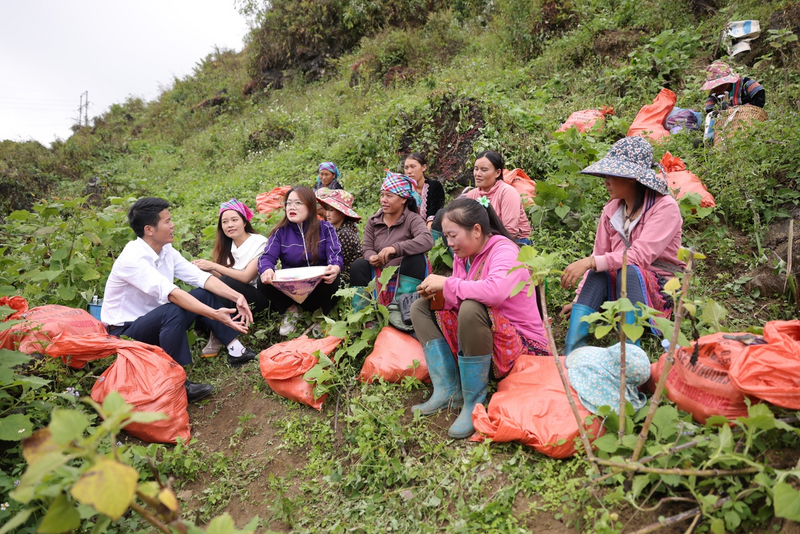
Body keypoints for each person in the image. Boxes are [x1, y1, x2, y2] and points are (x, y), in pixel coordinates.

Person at [410, 197, 549, 439]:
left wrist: (447, 284)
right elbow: (458, 295)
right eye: (446, 236)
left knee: (472, 307)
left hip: (523, 347)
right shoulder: (464, 255)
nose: (449, 243)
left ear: (476, 230)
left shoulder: (504, 250)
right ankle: (448, 390)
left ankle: (473, 402)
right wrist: (438, 293)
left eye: (453, 235)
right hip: (489, 337)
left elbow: (494, 293)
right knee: (422, 307)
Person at [101, 197, 258, 403]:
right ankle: (177, 382)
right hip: (125, 333)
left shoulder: (165, 250)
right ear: (149, 229)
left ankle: (236, 351)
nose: (173, 225)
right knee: (173, 309)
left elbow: (199, 277)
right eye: (167, 221)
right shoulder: (133, 258)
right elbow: (172, 294)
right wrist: (214, 314)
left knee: (203, 293)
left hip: (155, 322)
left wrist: (238, 297)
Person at [560, 136, 685, 355]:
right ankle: (571, 352)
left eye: (611, 175)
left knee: (629, 269)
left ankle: (631, 352)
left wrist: (590, 262)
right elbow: (599, 255)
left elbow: (639, 256)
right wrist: (580, 300)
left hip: (657, 289)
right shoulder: (611, 210)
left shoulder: (665, 208)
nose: (606, 181)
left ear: (631, 179)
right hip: (619, 285)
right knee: (599, 271)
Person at [257, 186, 343, 334]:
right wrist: (267, 269)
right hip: (291, 290)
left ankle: (320, 314)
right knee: (263, 281)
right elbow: (267, 257)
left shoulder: (325, 228)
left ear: (310, 206)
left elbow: (335, 253)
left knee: (334, 279)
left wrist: (335, 267)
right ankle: (291, 311)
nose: (292, 207)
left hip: (318, 288)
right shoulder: (280, 233)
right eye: (289, 203)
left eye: (298, 203)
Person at [191, 199, 268, 356]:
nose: (230, 225)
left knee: (223, 282)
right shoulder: (227, 247)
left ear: (244, 222)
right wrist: (207, 270)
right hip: (235, 297)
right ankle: (207, 327)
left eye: (234, 220)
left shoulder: (259, 242)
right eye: (225, 222)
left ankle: (217, 334)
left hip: (259, 297)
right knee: (208, 282)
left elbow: (246, 277)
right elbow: (222, 276)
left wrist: (213, 265)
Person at [350, 171, 434, 307]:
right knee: (358, 265)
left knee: (416, 258)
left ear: (403, 199)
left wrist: (395, 249)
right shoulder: (374, 221)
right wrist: (371, 257)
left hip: (403, 273)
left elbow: (426, 240)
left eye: (389, 196)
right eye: (382, 195)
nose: (384, 200)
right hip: (378, 275)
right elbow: (367, 247)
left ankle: (404, 307)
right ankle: (363, 313)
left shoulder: (412, 219)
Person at [462, 150, 532, 246]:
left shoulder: (507, 193)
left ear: (498, 173)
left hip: (514, 241)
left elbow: (510, 231)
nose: (477, 174)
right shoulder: (471, 195)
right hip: (481, 241)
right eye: (476, 169)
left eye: (484, 170)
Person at [315, 188, 362, 286]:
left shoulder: (345, 233)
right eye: (327, 210)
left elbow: (337, 262)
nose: (327, 214)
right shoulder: (335, 230)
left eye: (331, 210)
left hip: (345, 279)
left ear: (342, 212)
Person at [403, 153, 444, 229]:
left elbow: (434, 214)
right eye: (406, 168)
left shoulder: (434, 186)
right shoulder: (404, 190)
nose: (409, 171)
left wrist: (425, 234)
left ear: (424, 167)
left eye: (413, 167)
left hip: (431, 229)